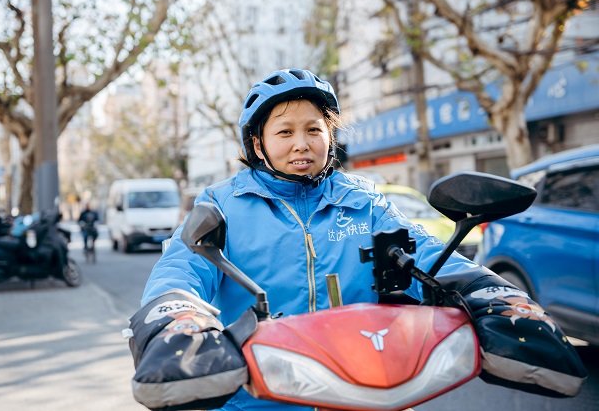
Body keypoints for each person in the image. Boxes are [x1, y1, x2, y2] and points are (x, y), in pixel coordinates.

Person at [135, 69, 586, 411]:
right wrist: (176, 316)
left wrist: (489, 290)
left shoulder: (363, 200)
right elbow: (181, 267)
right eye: (285, 132)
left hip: (366, 390)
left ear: (330, 138)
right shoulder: (222, 203)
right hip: (253, 395)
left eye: (314, 129)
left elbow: (422, 250)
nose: (302, 144)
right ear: (257, 144)